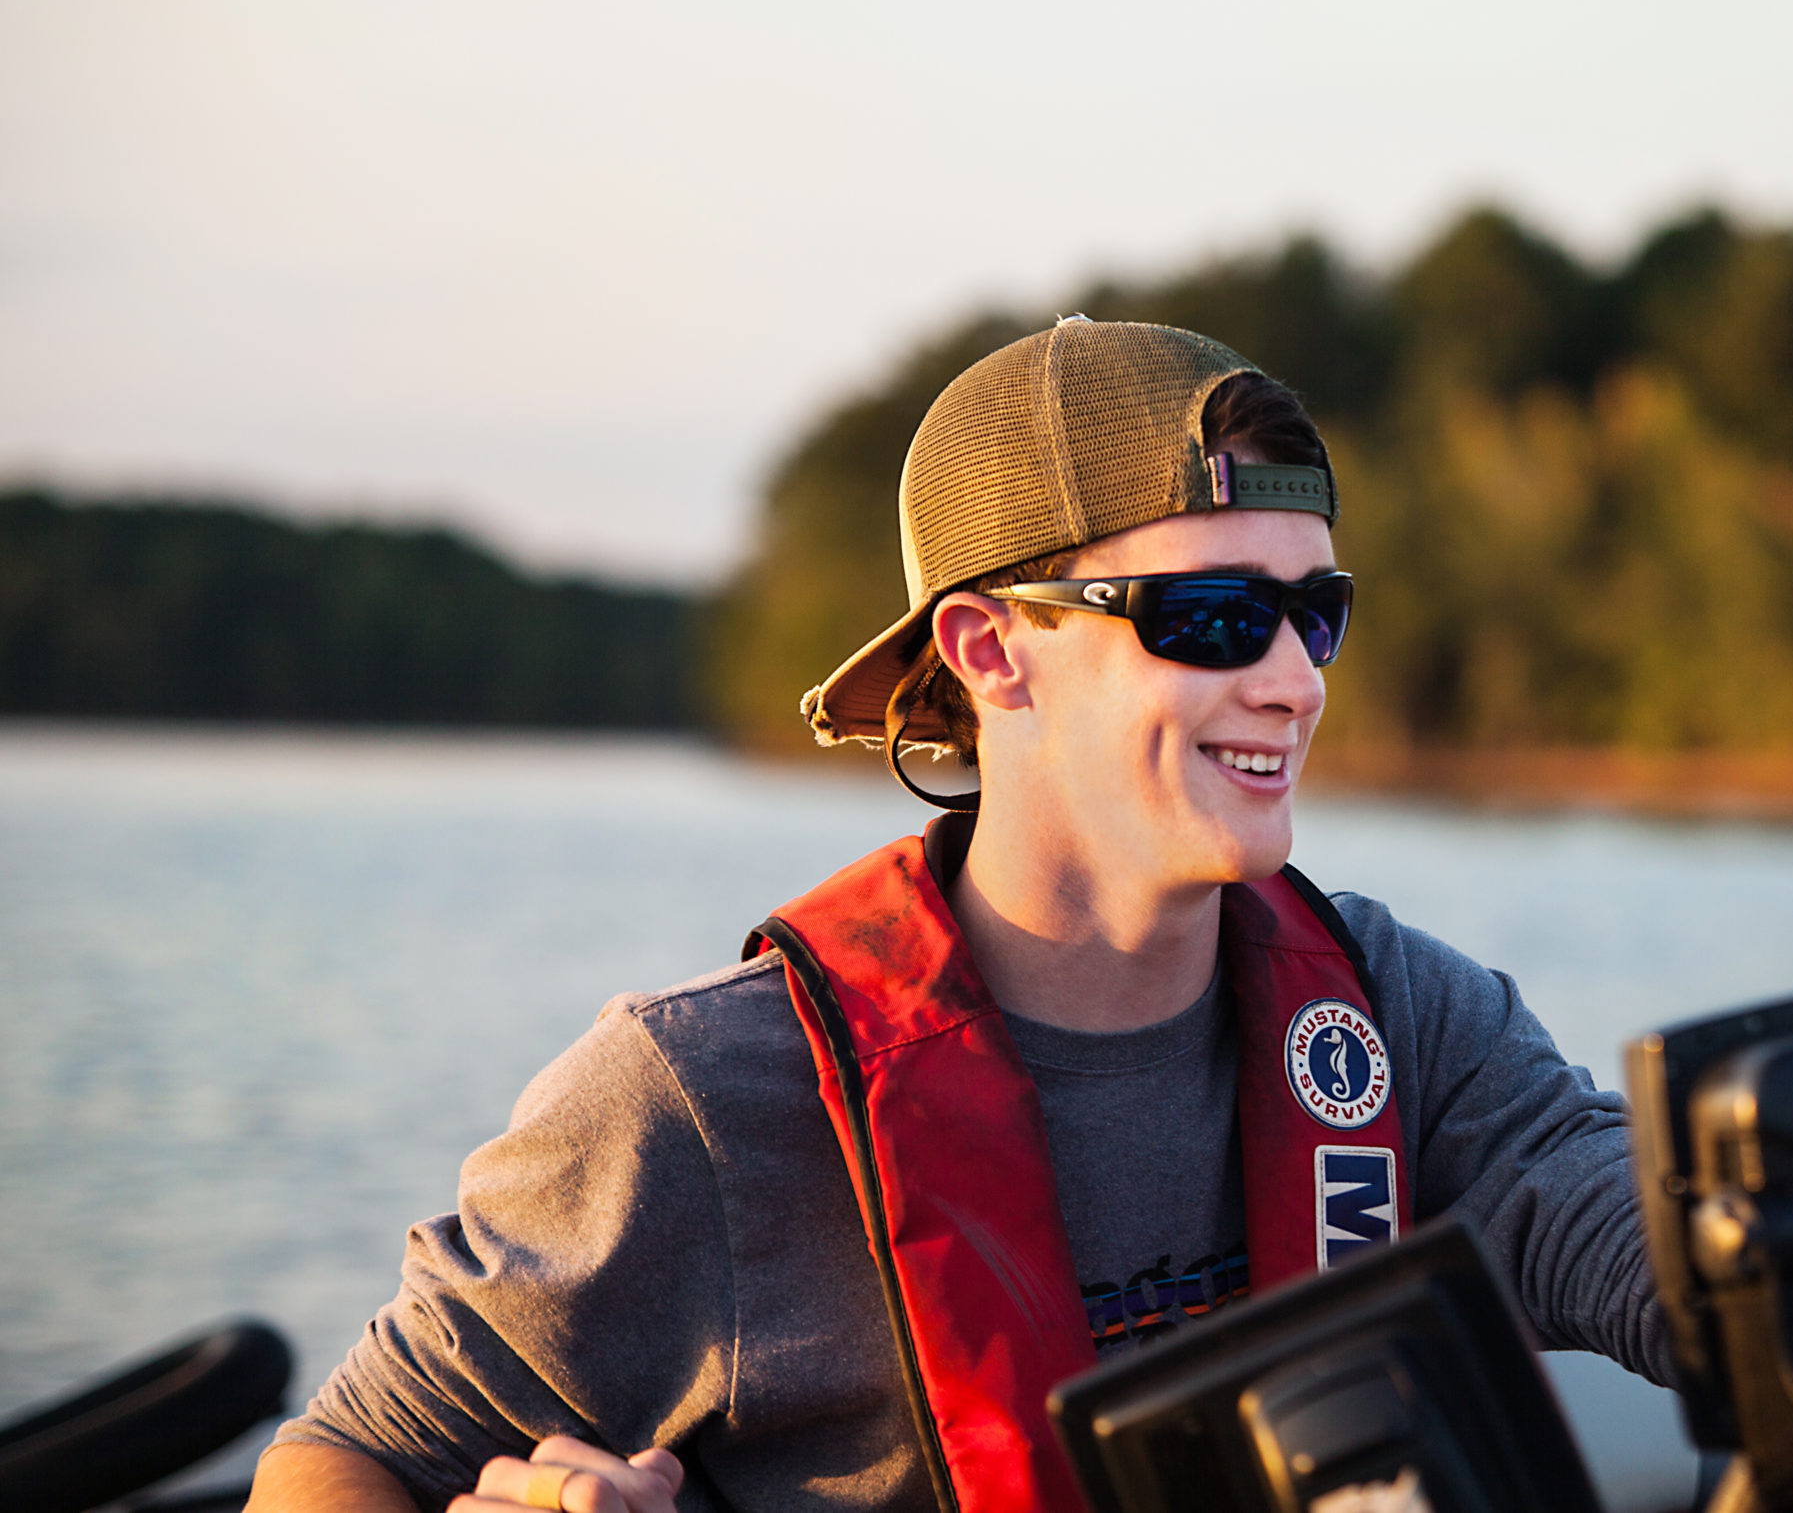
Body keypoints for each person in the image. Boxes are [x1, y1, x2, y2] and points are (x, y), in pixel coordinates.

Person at [248, 319, 1672, 1513]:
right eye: (1217, 615)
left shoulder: (1405, 1026)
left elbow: (1670, 1249)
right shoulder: (698, 1107)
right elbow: (340, 1462)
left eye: (1318, 612)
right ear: (993, 651)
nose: (1295, 680)